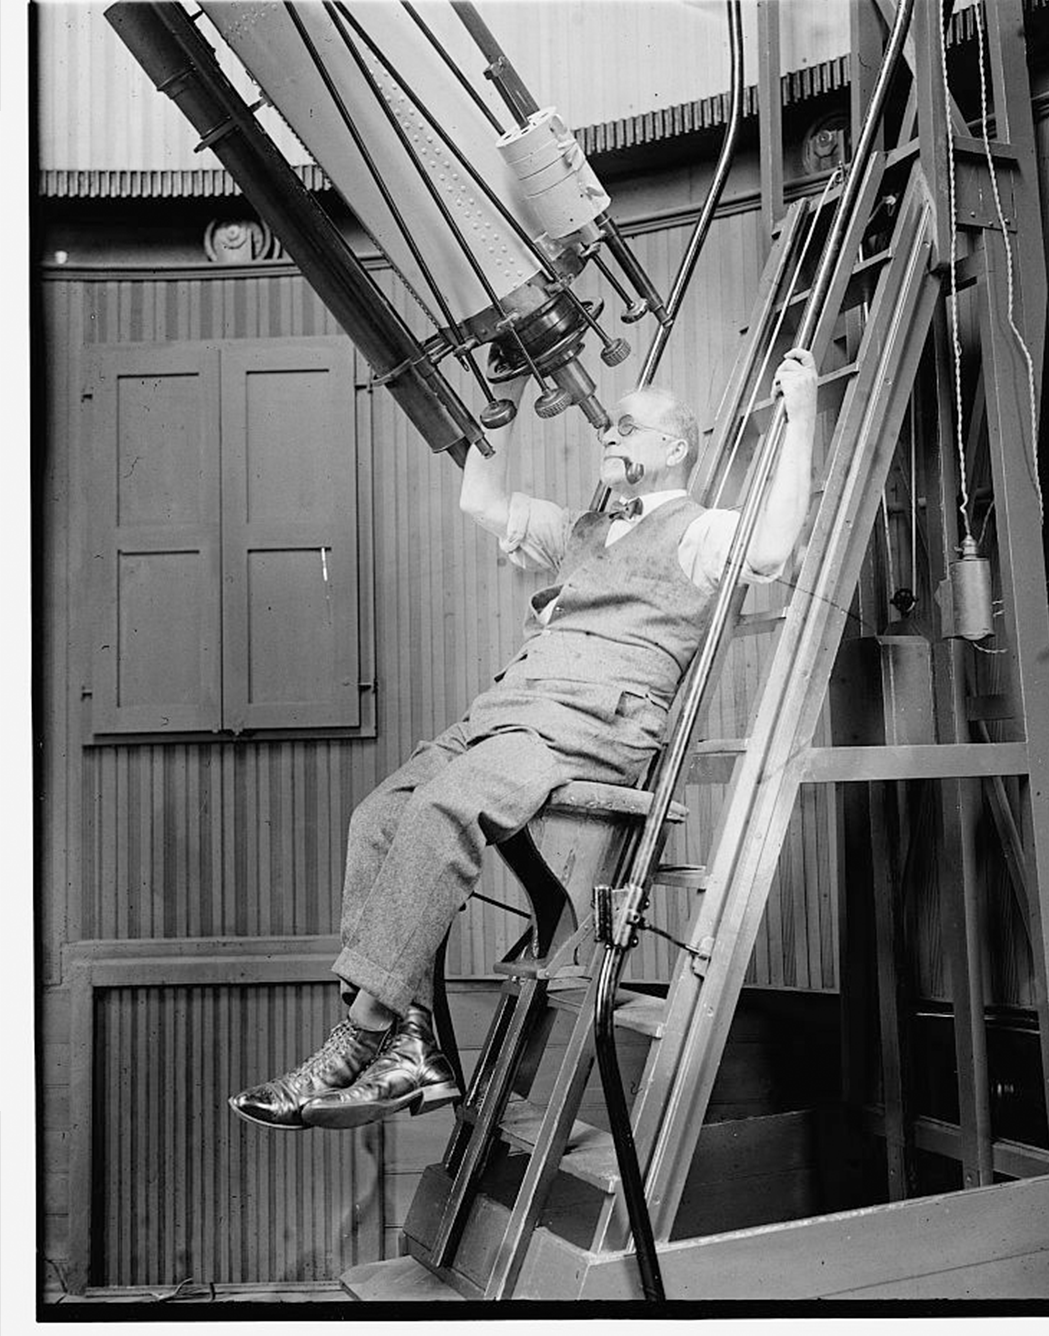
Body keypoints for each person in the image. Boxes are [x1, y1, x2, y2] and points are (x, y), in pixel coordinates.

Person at [229, 346, 818, 1130]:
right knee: (375, 816)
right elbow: (481, 500)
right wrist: (494, 400)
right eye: (609, 425)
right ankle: (413, 1043)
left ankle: (360, 1038)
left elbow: (774, 552)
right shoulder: (581, 529)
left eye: (629, 427)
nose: (610, 433)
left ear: (674, 447)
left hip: (596, 721)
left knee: (444, 810)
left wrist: (803, 413)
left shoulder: (700, 530)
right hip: (508, 714)